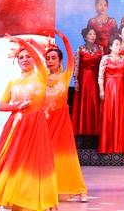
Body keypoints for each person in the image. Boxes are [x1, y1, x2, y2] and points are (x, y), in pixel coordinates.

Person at [0, 36, 59, 211]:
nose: (24, 59)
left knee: (39, 163)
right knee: (8, 162)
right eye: (20, 57)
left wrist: (24, 44)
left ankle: (51, 204)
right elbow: (1, 106)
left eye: (27, 56)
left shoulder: (41, 75)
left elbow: (38, 58)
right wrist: (17, 106)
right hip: (16, 126)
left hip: (36, 125)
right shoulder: (13, 83)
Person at [33, 31, 87, 201]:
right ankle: (48, 187)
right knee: (46, 156)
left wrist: (64, 39)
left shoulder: (65, 75)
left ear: (59, 61)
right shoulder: (42, 78)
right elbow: (36, 60)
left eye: (53, 58)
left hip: (62, 122)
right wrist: (31, 44)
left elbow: (71, 57)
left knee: (67, 157)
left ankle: (80, 189)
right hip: (45, 121)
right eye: (48, 58)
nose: (50, 61)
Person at [97, 37, 124, 154]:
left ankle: (120, 146)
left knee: (121, 114)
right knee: (109, 114)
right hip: (109, 89)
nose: (118, 46)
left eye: (119, 44)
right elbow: (100, 76)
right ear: (110, 46)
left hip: (121, 89)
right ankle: (107, 146)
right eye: (116, 44)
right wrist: (101, 90)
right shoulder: (105, 58)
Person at [72, 27, 103, 135]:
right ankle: (83, 129)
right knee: (84, 102)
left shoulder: (100, 49)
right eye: (90, 34)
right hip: (84, 78)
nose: (93, 36)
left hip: (96, 78)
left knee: (95, 101)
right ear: (85, 37)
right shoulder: (80, 50)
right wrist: (76, 81)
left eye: (94, 34)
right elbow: (76, 65)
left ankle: (95, 130)